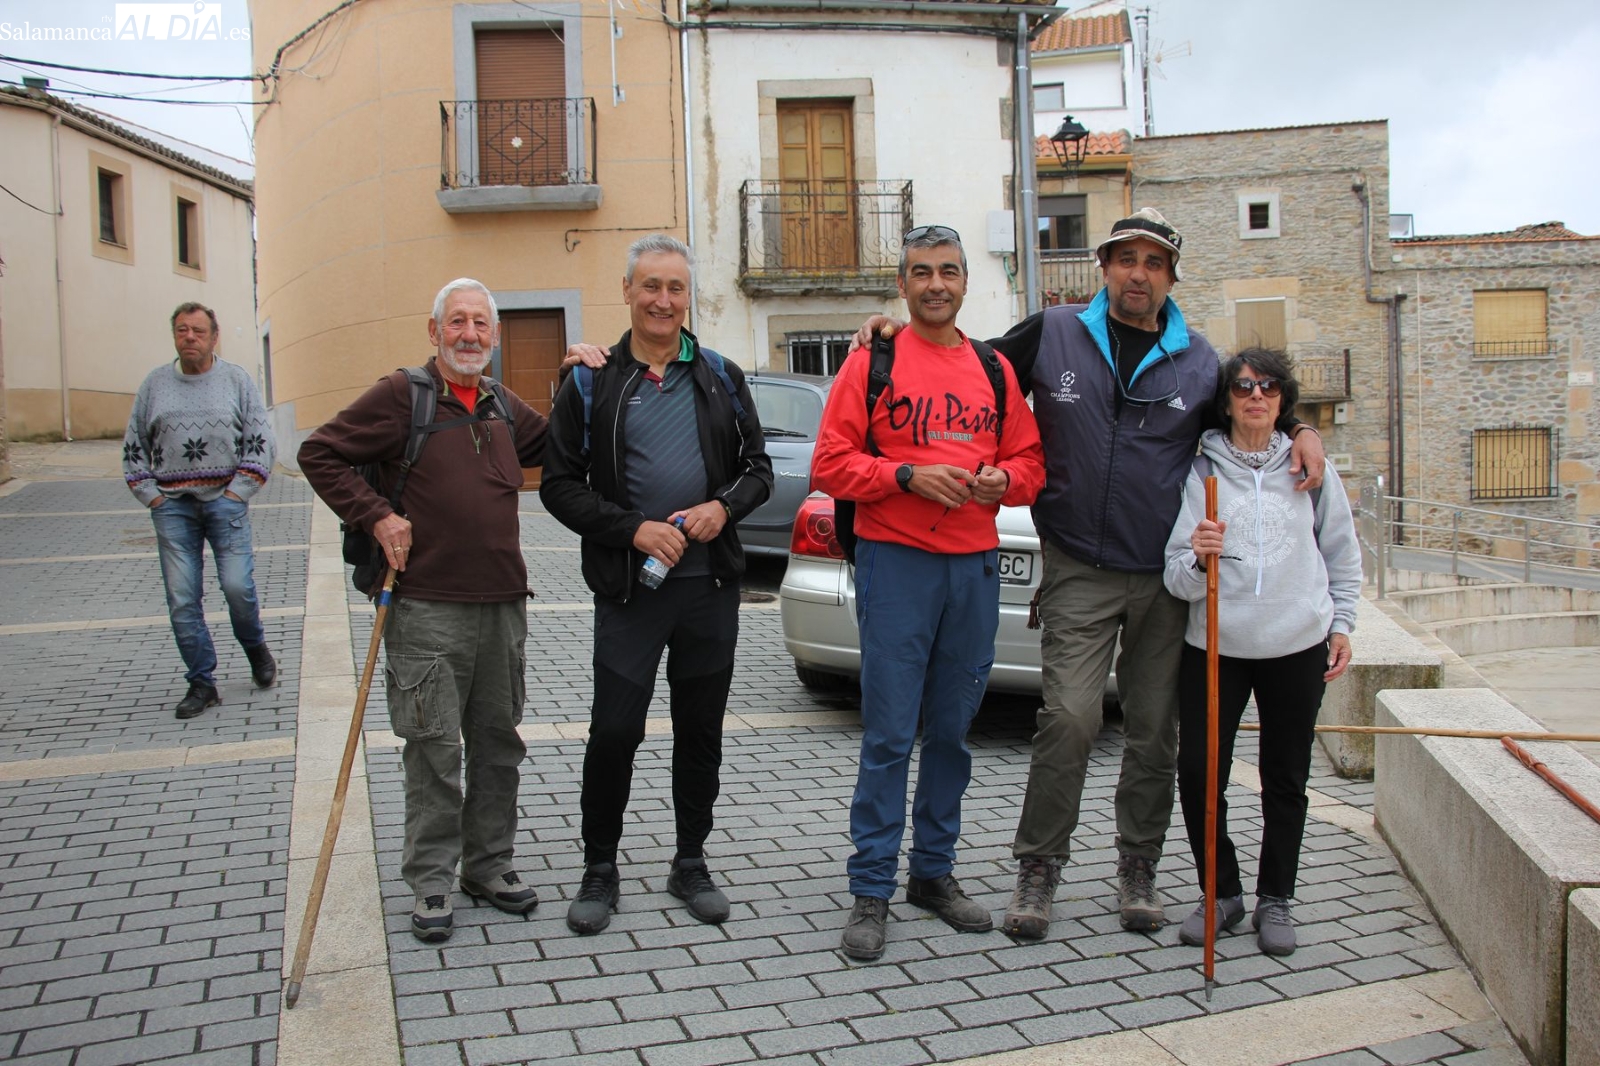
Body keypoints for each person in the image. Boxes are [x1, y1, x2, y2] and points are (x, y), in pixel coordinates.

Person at [854, 208, 1325, 938]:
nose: (1139, 273)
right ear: (1104, 266)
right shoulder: (1054, 331)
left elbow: (1250, 408)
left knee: (1154, 733)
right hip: (1077, 563)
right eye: (1126, 258)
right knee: (1070, 719)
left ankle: (1138, 867)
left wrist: (1299, 427)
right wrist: (890, 330)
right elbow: (964, 363)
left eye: (1154, 262)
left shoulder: (1200, 360)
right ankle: (1039, 868)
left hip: (1165, 576)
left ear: (1171, 277)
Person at [812, 225, 1045, 961]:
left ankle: (933, 874)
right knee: (888, 734)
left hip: (973, 568)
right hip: (897, 564)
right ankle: (871, 887)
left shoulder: (994, 369)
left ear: (965, 282)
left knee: (951, 732)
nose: (936, 284)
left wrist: (1004, 480)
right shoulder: (872, 361)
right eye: (921, 272)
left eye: (948, 270)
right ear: (903, 284)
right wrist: (905, 476)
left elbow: (1031, 462)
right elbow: (830, 464)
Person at [298, 279, 549, 943]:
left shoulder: (501, 404)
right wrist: (376, 515)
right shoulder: (401, 395)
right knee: (434, 748)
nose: (470, 334)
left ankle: (488, 866)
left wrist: (584, 373)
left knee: (498, 745)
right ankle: (433, 878)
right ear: (434, 331)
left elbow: (562, 446)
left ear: (495, 336)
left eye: (481, 324)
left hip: (502, 604)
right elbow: (319, 452)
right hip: (427, 608)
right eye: (457, 322)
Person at [540, 234, 773, 935]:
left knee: (700, 732)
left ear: (687, 297)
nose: (663, 300)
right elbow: (558, 487)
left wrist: (722, 508)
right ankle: (599, 868)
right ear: (627, 291)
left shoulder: (722, 375)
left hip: (709, 587)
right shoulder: (591, 381)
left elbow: (759, 469)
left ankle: (690, 861)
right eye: (651, 286)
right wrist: (633, 530)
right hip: (630, 590)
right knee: (615, 731)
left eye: (675, 288)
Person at [1163, 348, 1361, 957]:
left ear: (1283, 401)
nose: (1256, 396)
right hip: (1215, 648)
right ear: (1226, 400)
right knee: (1199, 774)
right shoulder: (1199, 472)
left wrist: (1342, 623)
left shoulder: (1311, 469)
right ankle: (1221, 893)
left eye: (1269, 387)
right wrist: (1199, 558)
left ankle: (1276, 897)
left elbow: (1341, 551)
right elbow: (1176, 576)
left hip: (1296, 643)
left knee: (1286, 777)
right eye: (1244, 386)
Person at [123, 302, 278, 721]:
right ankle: (201, 682)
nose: (189, 337)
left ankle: (255, 648)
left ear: (214, 336)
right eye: (181, 330)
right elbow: (134, 447)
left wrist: (239, 491)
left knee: (237, 588)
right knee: (182, 597)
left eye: (197, 330)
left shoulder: (236, 380)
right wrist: (151, 496)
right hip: (172, 507)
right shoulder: (155, 385)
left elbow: (261, 441)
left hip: (225, 501)